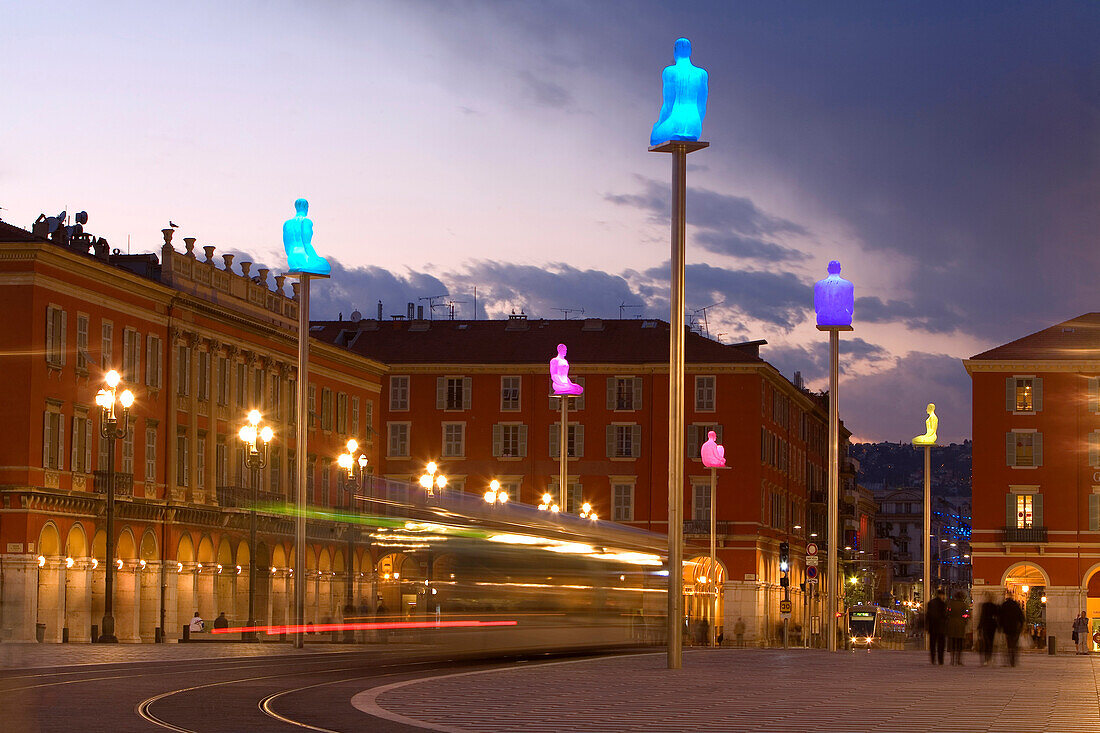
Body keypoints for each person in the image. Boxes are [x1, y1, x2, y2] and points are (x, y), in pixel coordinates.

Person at [649, 37, 708, 146]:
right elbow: (702, 107)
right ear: (690, 51)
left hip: (676, 121)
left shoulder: (669, 71)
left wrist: (659, 124)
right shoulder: (702, 74)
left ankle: (668, 131)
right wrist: (697, 124)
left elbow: (668, 106)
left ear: (675, 51)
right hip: (694, 124)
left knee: (654, 136)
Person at [999, 593, 1025, 666]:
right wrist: (1021, 626)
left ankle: (1009, 657)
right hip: (1015, 627)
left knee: (1009, 643)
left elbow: (1001, 617)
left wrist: (1000, 627)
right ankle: (1013, 660)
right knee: (1014, 643)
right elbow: (1021, 617)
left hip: (1007, 628)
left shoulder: (1004, 605)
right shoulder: (1016, 605)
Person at [946, 591, 970, 665]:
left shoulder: (950, 604)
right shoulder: (964, 605)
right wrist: (964, 621)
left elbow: (947, 614)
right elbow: (967, 614)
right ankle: (958, 660)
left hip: (951, 625)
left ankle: (952, 660)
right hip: (961, 625)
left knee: (952, 643)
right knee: (959, 643)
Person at [977, 593, 1000, 666]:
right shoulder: (994, 606)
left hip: (985, 625)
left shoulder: (984, 606)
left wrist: (979, 626)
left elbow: (982, 616)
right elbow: (997, 616)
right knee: (991, 642)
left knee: (986, 642)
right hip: (992, 625)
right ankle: (989, 657)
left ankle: (986, 658)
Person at [926, 589, 947, 665]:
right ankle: (940, 660)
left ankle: (933, 659)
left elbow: (928, 615)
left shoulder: (930, 603)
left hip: (932, 627)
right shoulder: (943, 604)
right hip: (941, 627)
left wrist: (927, 626)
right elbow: (945, 616)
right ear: (941, 595)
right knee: (941, 645)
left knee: (932, 644)